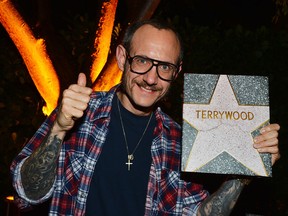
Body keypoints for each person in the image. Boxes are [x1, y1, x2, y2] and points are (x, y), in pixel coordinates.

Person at [10, 19, 280, 216]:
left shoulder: (180, 139)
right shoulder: (78, 114)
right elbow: (27, 193)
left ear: (177, 72)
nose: (151, 78)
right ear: (121, 57)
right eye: (142, 61)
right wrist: (58, 129)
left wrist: (246, 170)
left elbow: (199, 214)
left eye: (164, 67)